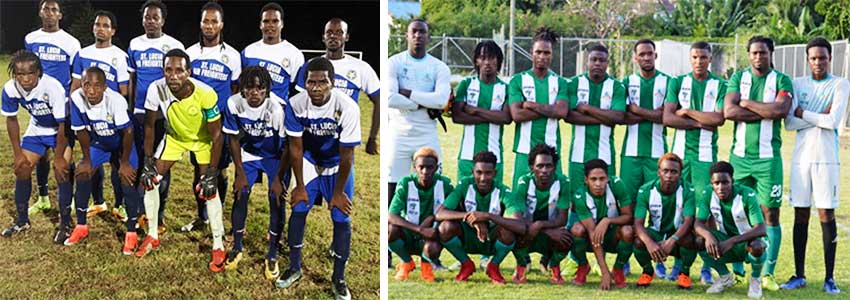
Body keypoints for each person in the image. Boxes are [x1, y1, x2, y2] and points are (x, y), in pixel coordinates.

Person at [136, 49, 227, 275]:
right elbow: (149, 125)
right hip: (174, 138)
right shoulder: (155, 88)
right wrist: (148, 160)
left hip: (203, 141)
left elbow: (217, 135)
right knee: (150, 180)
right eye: (168, 70)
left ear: (189, 72)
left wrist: (213, 171)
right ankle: (153, 235)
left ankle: (218, 245)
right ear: (163, 71)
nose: (173, 76)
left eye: (179, 70)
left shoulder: (206, 93)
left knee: (209, 188)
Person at [276, 57, 359, 300]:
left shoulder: (348, 107)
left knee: (341, 217)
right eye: (311, 82)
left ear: (332, 83)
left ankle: (339, 278)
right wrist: (300, 186)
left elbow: (347, 155)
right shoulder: (296, 104)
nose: (317, 87)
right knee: (299, 208)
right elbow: (295, 148)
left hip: (336, 165)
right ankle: (294, 267)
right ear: (304, 83)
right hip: (310, 161)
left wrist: (338, 192)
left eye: (323, 82)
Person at [723, 35, 793, 291]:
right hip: (739, 160)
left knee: (769, 214)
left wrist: (747, 103)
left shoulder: (782, 80)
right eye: (753, 53)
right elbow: (729, 112)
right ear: (748, 54)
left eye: (762, 53)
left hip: (768, 161)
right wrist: (765, 109)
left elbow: (780, 111)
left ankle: (768, 274)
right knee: (736, 212)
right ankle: (739, 270)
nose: (757, 57)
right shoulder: (736, 78)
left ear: (770, 53)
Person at [782, 36, 847, 294]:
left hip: (827, 159)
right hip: (801, 159)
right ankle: (799, 274)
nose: (818, 62)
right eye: (813, 58)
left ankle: (829, 278)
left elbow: (833, 122)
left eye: (822, 57)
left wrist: (805, 114)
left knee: (826, 214)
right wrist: (819, 115)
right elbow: (789, 123)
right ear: (807, 59)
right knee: (800, 214)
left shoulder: (841, 84)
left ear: (830, 58)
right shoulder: (797, 84)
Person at [662, 41, 726, 284]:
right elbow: (668, 118)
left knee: (704, 213)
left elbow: (718, 119)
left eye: (704, 57)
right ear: (690, 59)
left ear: (710, 59)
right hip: (679, 157)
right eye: (695, 57)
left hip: (704, 159)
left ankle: (707, 267)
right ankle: (679, 263)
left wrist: (687, 112)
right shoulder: (677, 82)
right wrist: (701, 121)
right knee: (680, 211)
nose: (699, 61)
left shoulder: (719, 84)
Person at [64, 67, 141, 255]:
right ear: (81, 84)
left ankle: (131, 232)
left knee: (127, 179)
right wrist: (87, 160)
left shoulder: (115, 100)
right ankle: (81, 226)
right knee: (82, 173)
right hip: (99, 143)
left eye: (97, 85)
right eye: (86, 84)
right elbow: (81, 131)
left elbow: (128, 132)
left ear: (105, 87)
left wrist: (123, 163)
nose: (91, 90)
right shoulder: (76, 98)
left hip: (122, 145)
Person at [221, 66, 289, 278]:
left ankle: (272, 253)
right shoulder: (233, 103)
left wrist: (278, 177)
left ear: (267, 90)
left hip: (276, 155)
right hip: (249, 153)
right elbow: (232, 137)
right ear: (242, 89)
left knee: (276, 197)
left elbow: (287, 146)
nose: (254, 93)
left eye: (260, 88)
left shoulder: (277, 108)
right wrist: (239, 171)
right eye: (249, 88)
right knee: (240, 194)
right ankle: (237, 247)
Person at [1, 50, 73, 243]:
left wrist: (58, 157)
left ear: (38, 72)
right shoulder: (10, 89)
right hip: (37, 129)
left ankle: (66, 224)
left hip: (59, 131)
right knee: (22, 168)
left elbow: (63, 125)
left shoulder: (53, 87)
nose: (25, 79)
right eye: (20, 74)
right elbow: (12, 119)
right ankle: (22, 221)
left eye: (30, 73)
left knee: (62, 170)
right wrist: (17, 154)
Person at [184, 1, 241, 233]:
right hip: (197, 124)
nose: (209, 25)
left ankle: (217, 214)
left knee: (220, 171)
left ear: (221, 24)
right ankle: (202, 217)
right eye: (205, 21)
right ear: (200, 24)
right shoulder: (190, 53)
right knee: (199, 170)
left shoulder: (233, 56)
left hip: (220, 125)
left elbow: (236, 89)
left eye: (213, 21)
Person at [127, 0, 184, 230]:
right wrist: (131, 108)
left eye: (155, 17)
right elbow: (132, 79)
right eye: (147, 17)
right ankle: (141, 212)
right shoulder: (134, 44)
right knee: (141, 162)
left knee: (161, 165)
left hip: (163, 115)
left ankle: (159, 215)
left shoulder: (173, 44)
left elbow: (180, 81)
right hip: (140, 113)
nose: (150, 21)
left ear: (163, 20)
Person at [70, 10, 131, 219]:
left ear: (113, 31)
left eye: (106, 25)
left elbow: (124, 91)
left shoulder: (120, 56)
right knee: (91, 161)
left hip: (111, 116)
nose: (101, 29)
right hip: (90, 117)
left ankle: (120, 204)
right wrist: (77, 111)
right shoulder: (83, 53)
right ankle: (98, 202)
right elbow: (76, 85)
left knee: (117, 163)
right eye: (97, 25)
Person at [24, 0, 80, 214]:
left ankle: (71, 197)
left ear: (60, 15)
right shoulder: (31, 39)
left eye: (54, 9)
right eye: (46, 9)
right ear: (40, 13)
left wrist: (69, 104)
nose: (49, 13)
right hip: (39, 106)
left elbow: (76, 77)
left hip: (62, 108)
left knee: (65, 154)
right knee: (42, 154)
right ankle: (43, 197)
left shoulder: (71, 43)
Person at [386, 19, 450, 203]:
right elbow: (390, 98)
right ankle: (391, 229)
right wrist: (422, 103)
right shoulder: (394, 62)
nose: (417, 35)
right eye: (413, 31)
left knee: (435, 183)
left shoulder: (439, 67)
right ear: (406, 35)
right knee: (393, 184)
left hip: (427, 133)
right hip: (399, 134)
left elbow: (440, 100)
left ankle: (432, 228)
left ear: (429, 37)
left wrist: (407, 93)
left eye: (422, 32)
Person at [436, 151, 524, 285]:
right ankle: (466, 264)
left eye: (488, 173)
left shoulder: (503, 191)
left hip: (491, 239)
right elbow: (440, 214)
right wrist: (471, 217)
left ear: (495, 173)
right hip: (468, 237)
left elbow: (520, 226)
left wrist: (488, 216)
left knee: (509, 231)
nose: (483, 178)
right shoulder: (465, 185)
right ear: (473, 171)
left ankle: (493, 266)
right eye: (479, 172)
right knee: (445, 228)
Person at [295, 18, 380, 155]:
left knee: (343, 174)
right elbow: (299, 103)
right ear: (323, 37)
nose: (333, 36)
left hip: (344, 141)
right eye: (329, 32)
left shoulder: (360, 68)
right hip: (313, 140)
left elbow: (379, 100)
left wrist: (372, 138)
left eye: (339, 32)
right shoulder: (310, 65)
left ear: (346, 37)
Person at [507, 27, 568, 191]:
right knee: (520, 198)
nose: (542, 56)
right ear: (531, 52)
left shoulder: (560, 82)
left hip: (552, 151)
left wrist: (530, 105)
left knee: (553, 198)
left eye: (546, 53)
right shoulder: (518, 81)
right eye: (538, 52)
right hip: (524, 151)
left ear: (552, 54)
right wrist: (549, 109)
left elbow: (561, 112)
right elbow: (517, 115)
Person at [694, 161, 767, 298]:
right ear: (711, 184)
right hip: (724, 240)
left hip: (747, 241)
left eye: (725, 182)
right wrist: (709, 237)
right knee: (698, 240)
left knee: (758, 246)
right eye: (716, 183)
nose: (721, 187)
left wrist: (732, 241)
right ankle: (725, 277)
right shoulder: (708, 193)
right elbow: (698, 223)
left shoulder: (747, 194)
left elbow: (761, 229)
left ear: (732, 181)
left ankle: (756, 279)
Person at [565, 43, 626, 191]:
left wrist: (585, 108)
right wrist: (605, 117)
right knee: (576, 199)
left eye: (602, 60)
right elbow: (570, 116)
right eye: (593, 59)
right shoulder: (574, 83)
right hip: (578, 155)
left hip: (605, 154)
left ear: (607, 63)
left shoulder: (617, 87)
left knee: (606, 198)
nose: (597, 63)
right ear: (587, 61)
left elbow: (618, 117)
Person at [632, 153, 698, 290]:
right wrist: (649, 243)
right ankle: (647, 271)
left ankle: (684, 273)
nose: (669, 175)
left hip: (678, 235)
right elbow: (638, 223)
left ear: (680, 174)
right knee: (638, 241)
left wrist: (672, 240)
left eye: (674, 172)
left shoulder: (688, 189)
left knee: (692, 240)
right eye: (665, 171)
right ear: (659, 172)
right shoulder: (646, 190)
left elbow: (689, 221)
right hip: (656, 233)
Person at [389, 147, 454, 282]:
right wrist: (420, 229)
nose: (425, 172)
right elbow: (391, 215)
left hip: (432, 234)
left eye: (430, 167)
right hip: (410, 231)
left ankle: (426, 265)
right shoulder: (406, 183)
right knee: (389, 230)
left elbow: (455, 209)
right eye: (421, 167)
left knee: (437, 241)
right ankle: (407, 262)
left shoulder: (445, 184)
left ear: (436, 168)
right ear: (414, 167)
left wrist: (432, 218)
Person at [511, 144, 573, 284]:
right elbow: (518, 217)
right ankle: (521, 265)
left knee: (567, 237)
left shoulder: (563, 182)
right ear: (532, 167)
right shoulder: (524, 182)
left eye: (548, 166)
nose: (544, 170)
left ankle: (554, 265)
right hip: (528, 230)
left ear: (554, 167)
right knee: (512, 233)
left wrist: (540, 226)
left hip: (550, 229)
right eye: (540, 166)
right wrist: (540, 228)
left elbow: (562, 219)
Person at [570, 159, 633, 289]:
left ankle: (618, 269)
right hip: (591, 237)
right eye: (593, 179)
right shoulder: (579, 196)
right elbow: (593, 234)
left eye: (602, 179)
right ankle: (583, 265)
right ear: (586, 180)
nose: (598, 184)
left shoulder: (617, 185)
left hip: (612, 235)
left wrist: (607, 220)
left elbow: (628, 216)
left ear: (607, 179)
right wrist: (605, 272)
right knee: (576, 229)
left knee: (627, 231)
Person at [242, 2, 304, 105]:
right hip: (250, 111)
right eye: (266, 21)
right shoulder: (248, 51)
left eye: (275, 21)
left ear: (282, 24)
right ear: (260, 25)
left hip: (279, 112)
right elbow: (242, 84)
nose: (270, 25)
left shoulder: (294, 54)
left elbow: (296, 90)